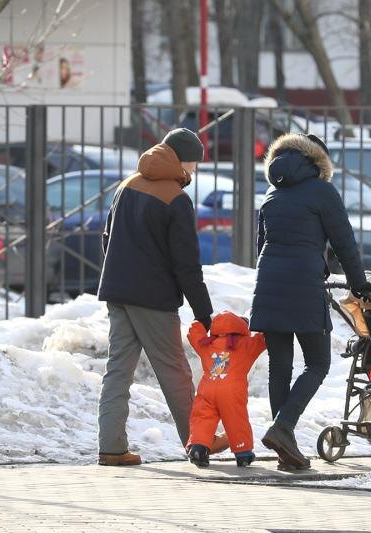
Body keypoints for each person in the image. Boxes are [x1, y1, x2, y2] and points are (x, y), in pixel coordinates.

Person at [250, 133, 371, 470]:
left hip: (269, 283)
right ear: (319, 162)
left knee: (279, 366)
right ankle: (283, 427)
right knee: (318, 363)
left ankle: (284, 448)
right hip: (303, 284)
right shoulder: (322, 191)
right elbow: (344, 242)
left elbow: (261, 244)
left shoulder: (272, 193)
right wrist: (359, 284)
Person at [96, 128, 212, 466]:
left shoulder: (127, 185)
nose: (194, 170)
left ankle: (111, 447)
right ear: (182, 160)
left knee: (118, 370)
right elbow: (186, 265)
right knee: (175, 372)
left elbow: (107, 238)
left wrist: (120, 275)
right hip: (154, 298)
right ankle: (198, 441)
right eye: (194, 163)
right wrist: (204, 313)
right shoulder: (176, 198)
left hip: (118, 291)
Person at [184, 311, 267, 468]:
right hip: (232, 391)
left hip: (208, 388)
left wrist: (199, 321)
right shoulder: (246, 344)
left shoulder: (207, 343)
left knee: (203, 418)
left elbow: (193, 333)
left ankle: (198, 448)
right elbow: (264, 338)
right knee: (236, 419)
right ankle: (243, 453)